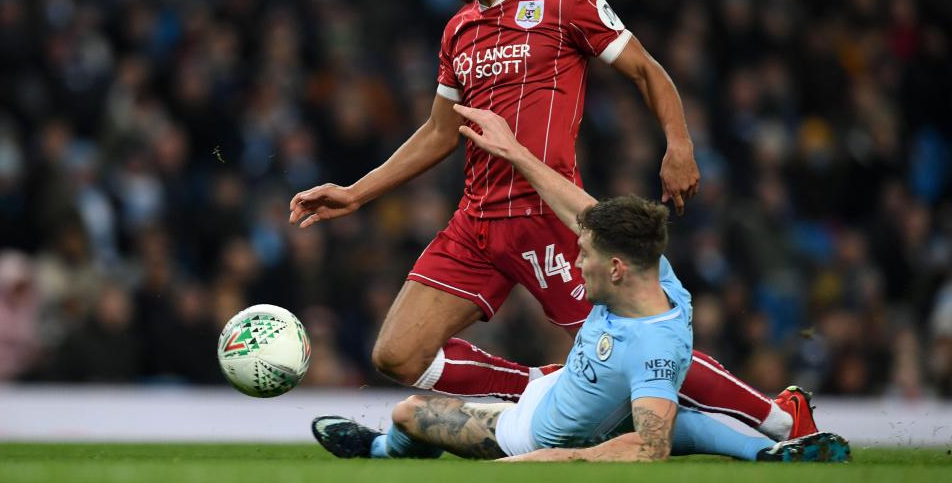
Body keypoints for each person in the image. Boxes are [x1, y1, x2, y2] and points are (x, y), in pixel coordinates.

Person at [290, 0, 808, 441]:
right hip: (477, 222)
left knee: (642, 345)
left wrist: (679, 144)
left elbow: (646, 70)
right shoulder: (458, 30)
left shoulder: (564, 5)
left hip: (550, 217)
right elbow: (440, 133)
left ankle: (782, 418)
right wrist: (355, 193)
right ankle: (536, 386)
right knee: (396, 354)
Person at [310, 104, 851, 463]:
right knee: (677, 419)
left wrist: (549, 460)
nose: (577, 260)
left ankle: (380, 453)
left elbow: (651, 448)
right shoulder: (659, 279)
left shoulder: (653, 346)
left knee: (409, 414)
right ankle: (771, 444)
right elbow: (588, 214)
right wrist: (517, 153)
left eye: (585, 256)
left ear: (615, 267)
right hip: (561, 390)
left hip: (531, 433)